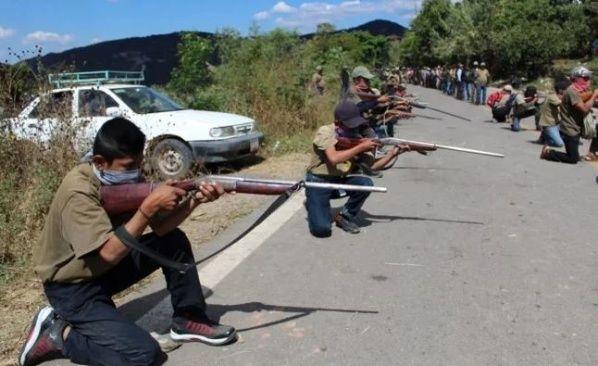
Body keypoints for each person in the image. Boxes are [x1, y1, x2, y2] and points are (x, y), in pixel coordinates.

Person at [18, 118, 236, 366]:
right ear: (100, 162)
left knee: (173, 241)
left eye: (139, 164)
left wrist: (195, 200)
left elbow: (162, 227)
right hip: (72, 288)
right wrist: (146, 209)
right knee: (144, 354)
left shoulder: (122, 176)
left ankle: (189, 318)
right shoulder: (77, 192)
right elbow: (108, 253)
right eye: (129, 166)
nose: (136, 172)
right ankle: (59, 335)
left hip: (102, 272)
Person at [305, 101, 410, 237]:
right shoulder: (326, 131)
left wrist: (393, 153)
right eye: (350, 124)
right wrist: (360, 148)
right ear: (338, 122)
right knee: (322, 230)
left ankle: (344, 216)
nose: (354, 127)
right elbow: (334, 159)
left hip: (339, 181)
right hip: (318, 182)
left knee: (366, 184)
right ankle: (313, 201)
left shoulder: (358, 138)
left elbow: (372, 166)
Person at [541, 66, 598, 164]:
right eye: (585, 78)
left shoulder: (579, 91)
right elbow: (584, 109)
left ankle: (592, 152)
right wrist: (594, 95)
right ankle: (548, 153)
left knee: (574, 155)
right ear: (576, 78)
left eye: (588, 78)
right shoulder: (572, 91)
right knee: (572, 159)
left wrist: (592, 98)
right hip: (570, 129)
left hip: (575, 128)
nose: (588, 80)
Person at [537, 79, 570, 148]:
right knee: (559, 144)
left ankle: (544, 136)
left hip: (556, 124)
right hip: (549, 124)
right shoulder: (552, 96)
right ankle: (545, 135)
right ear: (561, 90)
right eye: (566, 90)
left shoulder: (556, 96)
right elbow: (562, 104)